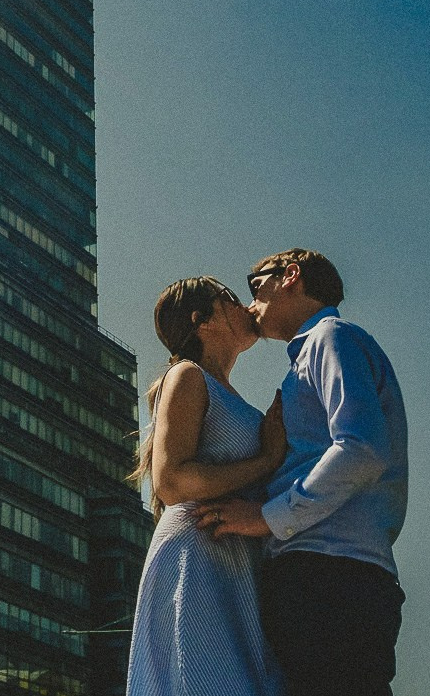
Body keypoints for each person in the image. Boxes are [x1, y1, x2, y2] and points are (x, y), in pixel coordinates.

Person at [197, 249, 409, 696]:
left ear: (290, 277)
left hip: (331, 577)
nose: (251, 304)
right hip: (326, 573)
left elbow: (362, 447)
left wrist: (266, 518)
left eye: (256, 288)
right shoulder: (312, 354)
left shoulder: (331, 338)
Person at [126, 276, 288, 696]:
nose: (243, 307)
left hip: (238, 560)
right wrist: (266, 460)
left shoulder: (230, 394)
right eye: (230, 299)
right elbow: (171, 481)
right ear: (203, 319)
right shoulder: (187, 377)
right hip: (196, 555)